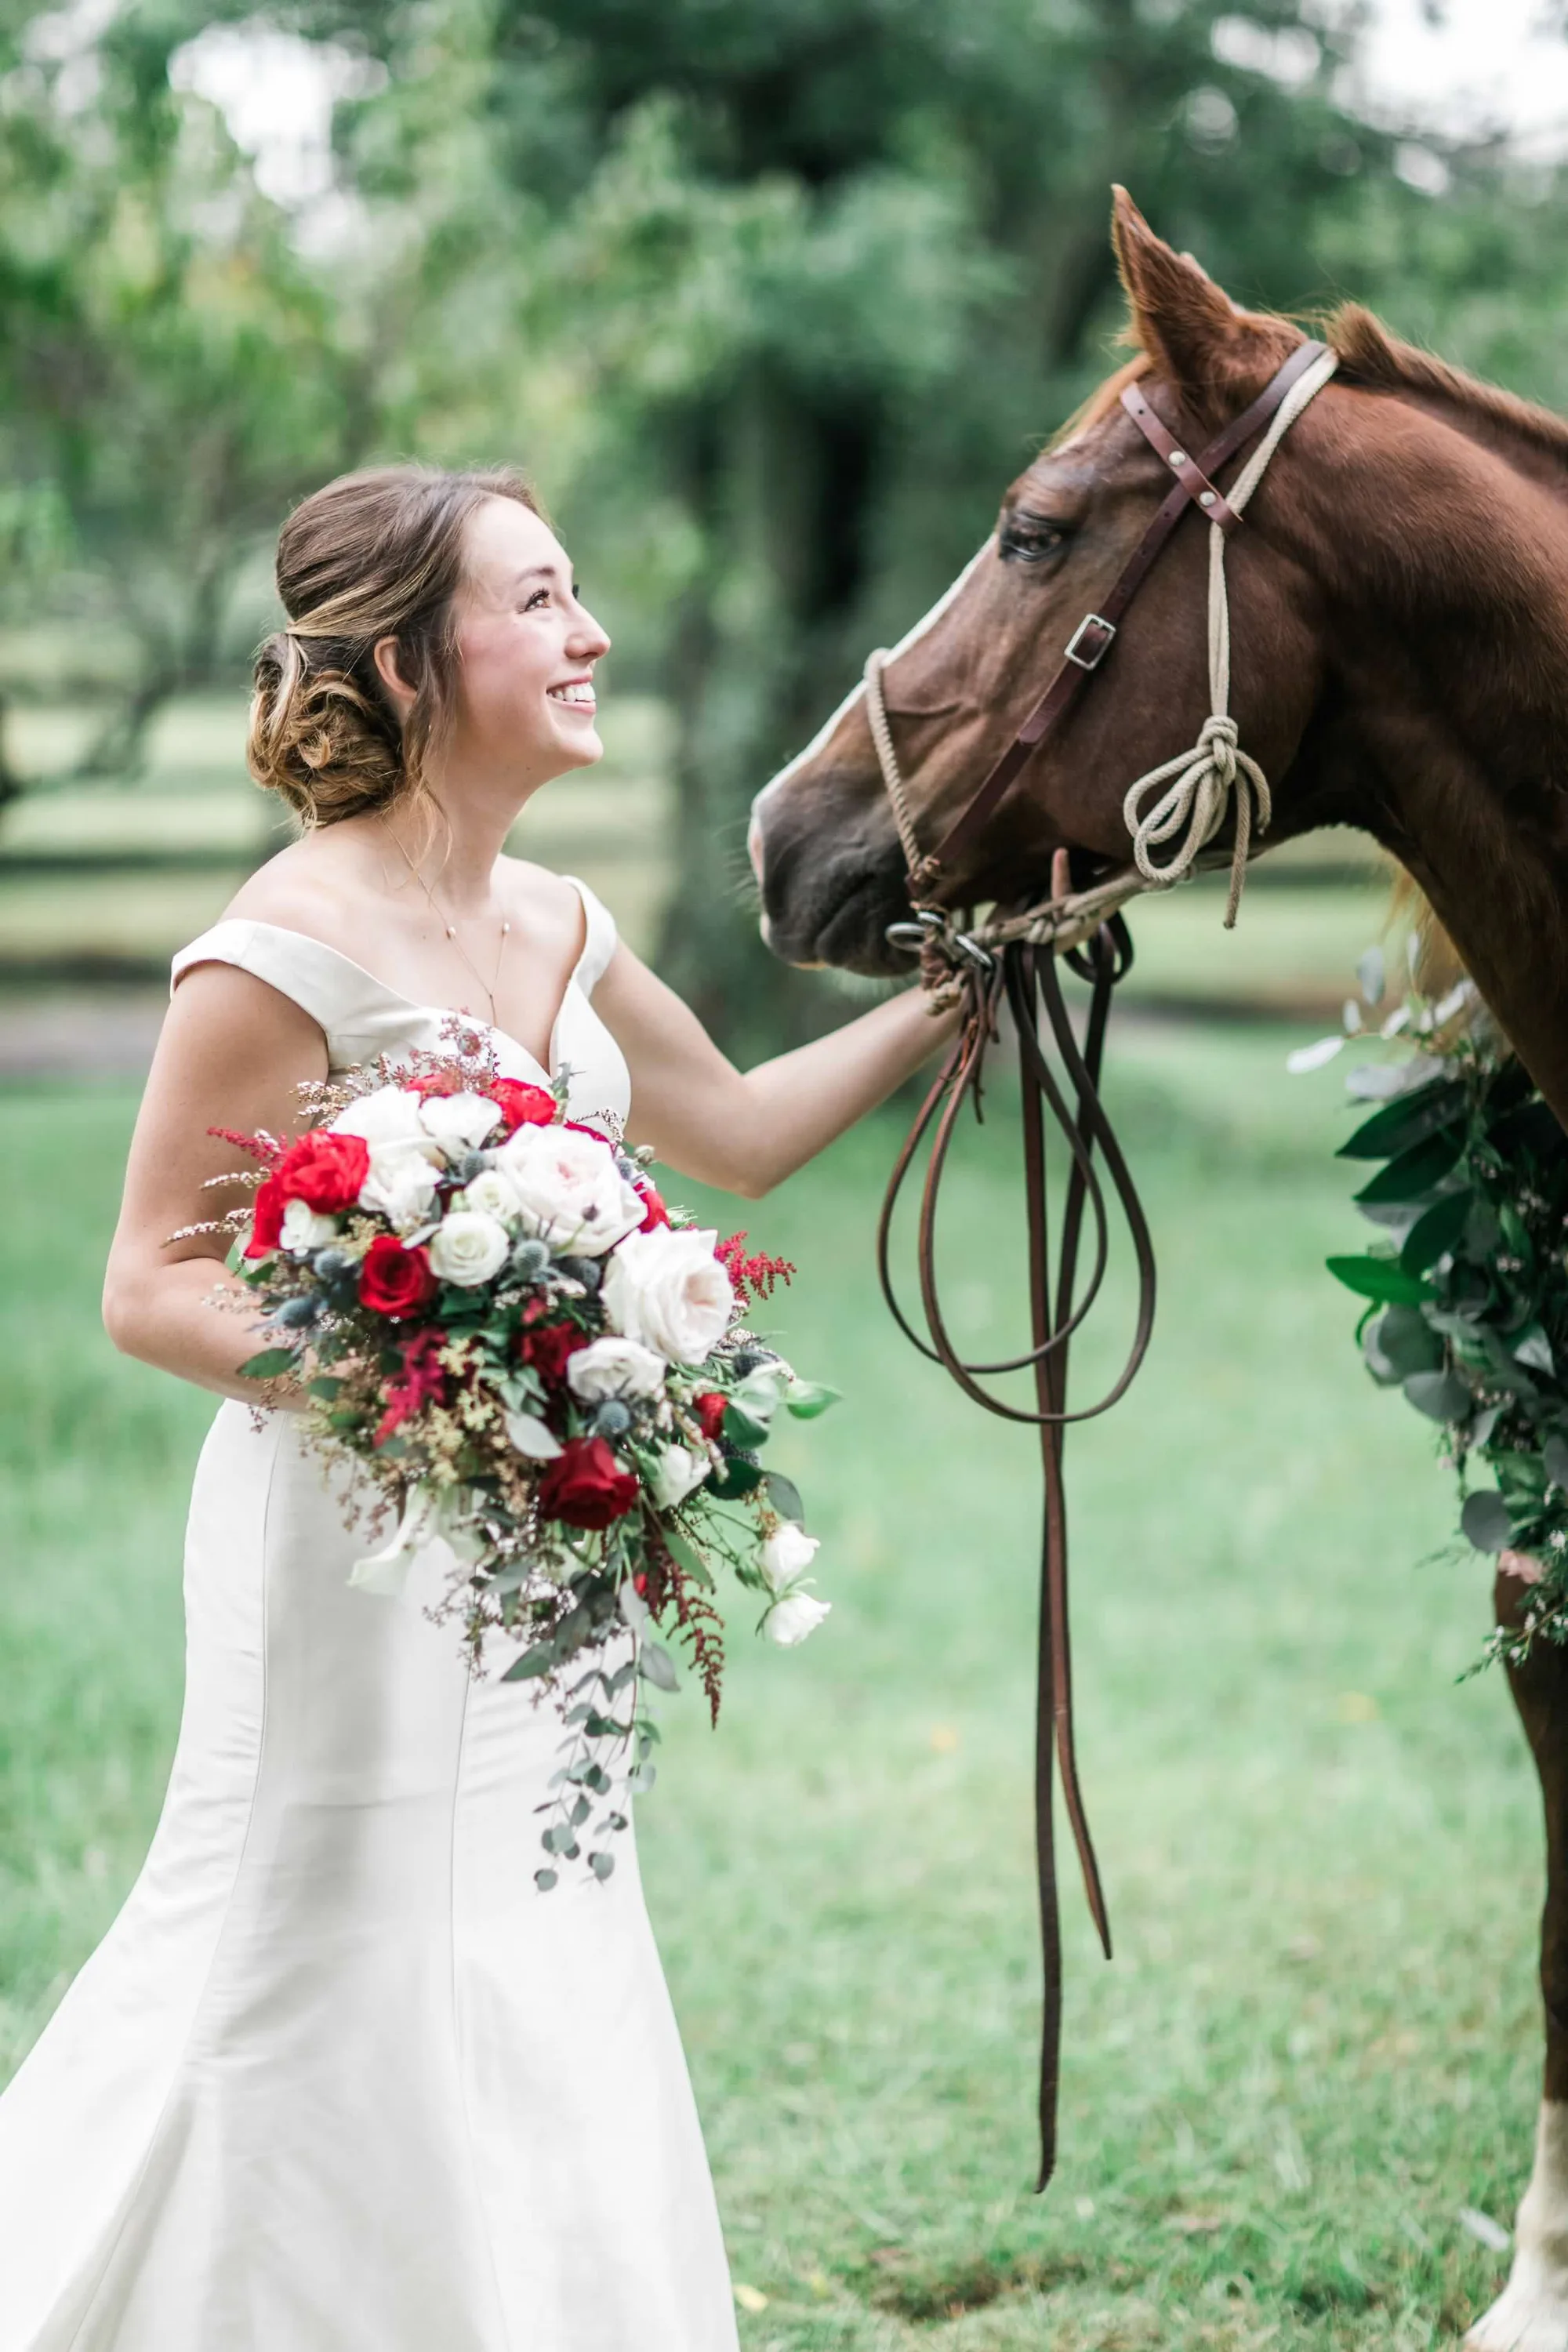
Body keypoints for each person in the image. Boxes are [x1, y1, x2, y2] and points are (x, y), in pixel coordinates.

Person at [0, 465, 952, 2351]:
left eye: (578, 590)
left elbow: (743, 1136)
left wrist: (966, 986)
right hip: (344, 1552)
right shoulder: (276, 953)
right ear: (415, 665)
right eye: (538, 600)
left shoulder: (564, 922)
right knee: (309, 1933)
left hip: (540, 1552)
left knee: (537, 1920)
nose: (587, 633)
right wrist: (447, 1390)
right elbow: (150, 1286)